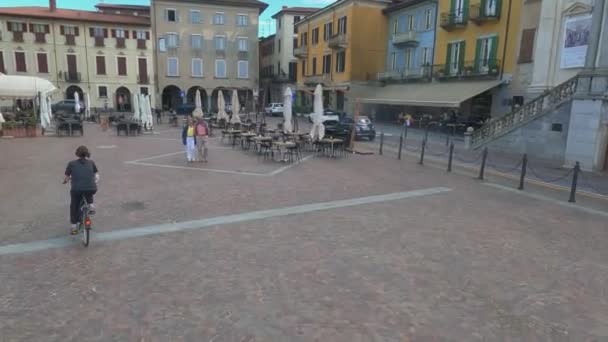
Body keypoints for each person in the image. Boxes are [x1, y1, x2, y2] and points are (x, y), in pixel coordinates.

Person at [63, 146, 99, 235]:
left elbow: (67, 177)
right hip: (92, 188)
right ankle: (91, 206)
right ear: (87, 153)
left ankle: (74, 227)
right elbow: (96, 174)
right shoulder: (91, 162)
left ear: (77, 153)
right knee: (89, 190)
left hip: (77, 189)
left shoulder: (71, 164)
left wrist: (65, 181)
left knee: (74, 206)